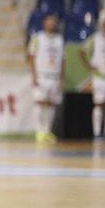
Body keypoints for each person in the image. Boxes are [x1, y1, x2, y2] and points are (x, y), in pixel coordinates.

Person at [27, 13, 64, 144]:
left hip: (54, 76)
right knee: (40, 102)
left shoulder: (59, 40)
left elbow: (62, 60)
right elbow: (31, 57)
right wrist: (34, 75)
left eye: (53, 22)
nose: (51, 24)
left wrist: (61, 78)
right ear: (44, 23)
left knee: (51, 104)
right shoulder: (37, 38)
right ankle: (39, 131)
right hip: (41, 75)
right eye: (49, 21)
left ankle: (47, 131)